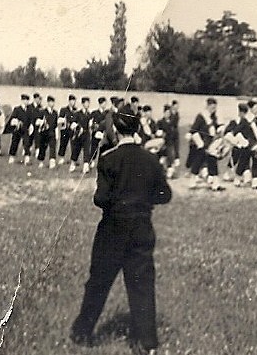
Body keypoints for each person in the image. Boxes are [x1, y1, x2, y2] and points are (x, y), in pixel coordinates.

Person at [70, 111, 172, 355]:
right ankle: (146, 342)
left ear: (115, 131)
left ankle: (82, 334)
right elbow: (164, 195)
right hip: (142, 228)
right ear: (137, 130)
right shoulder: (151, 159)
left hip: (113, 228)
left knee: (98, 282)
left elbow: (100, 199)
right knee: (142, 285)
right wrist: (143, 199)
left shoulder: (109, 159)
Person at [187, 97, 225, 191]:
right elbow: (194, 129)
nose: (213, 110)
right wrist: (199, 142)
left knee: (213, 162)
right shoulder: (201, 116)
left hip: (211, 144)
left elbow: (216, 127)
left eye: (215, 108)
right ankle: (192, 181)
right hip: (202, 144)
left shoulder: (214, 117)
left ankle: (215, 183)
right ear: (207, 106)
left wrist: (220, 128)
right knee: (198, 161)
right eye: (212, 107)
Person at [69, 97, 92, 174]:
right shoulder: (77, 114)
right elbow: (73, 124)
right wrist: (78, 127)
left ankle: (86, 166)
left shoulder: (89, 114)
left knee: (87, 150)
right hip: (79, 135)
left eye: (88, 103)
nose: (87, 104)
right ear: (83, 104)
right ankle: (73, 164)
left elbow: (90, 124)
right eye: (86, 103)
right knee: (76, 150)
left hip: (86, 134)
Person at [7, 94, 32, 165]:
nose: (27, 102)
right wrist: (17, 121)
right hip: (17, 130)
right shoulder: (17, 109)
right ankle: (11, 157)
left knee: (27, 143)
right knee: (14, 143)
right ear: (22, 101)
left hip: (25, 129)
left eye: (27, 100)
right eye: (25, 100)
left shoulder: (29, 110)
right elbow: (13, 119)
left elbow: (30, 119)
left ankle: (27, 159)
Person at [36, 95, 58, 169]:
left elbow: (55, 125)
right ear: (48, 102)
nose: (52, 104)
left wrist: (56, 134)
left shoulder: (55, 113)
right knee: (42, 148)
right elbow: (37, 122)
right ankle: (41, 162)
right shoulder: (42, 111)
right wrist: (42, 122)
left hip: (52, 133)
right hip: (44, 133)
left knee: (52, 147)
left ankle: (52, 162)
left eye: (53, 102)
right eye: (51, 102)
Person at [156, 105, 177, 179]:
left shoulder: (172, 123)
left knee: (171, 157)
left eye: (169, 113)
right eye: (166, 112)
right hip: (162, 143)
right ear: (164, 113)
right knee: (162, 158)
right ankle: (162, 173)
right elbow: (158, 132)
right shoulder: (160, 122)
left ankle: (169, 173)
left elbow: (174, 134)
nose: (168, 114)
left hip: (170, 143)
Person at [58, 94, 78, 165]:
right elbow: (60, 119)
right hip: (65, 129)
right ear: (69, 101)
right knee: (63, 143)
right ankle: (61, 158)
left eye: (74, 101)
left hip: (72, 130)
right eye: (72, 101)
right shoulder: (64, 109)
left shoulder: (75, 110)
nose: (73, 102)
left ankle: (73, 159)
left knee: (74, 144)